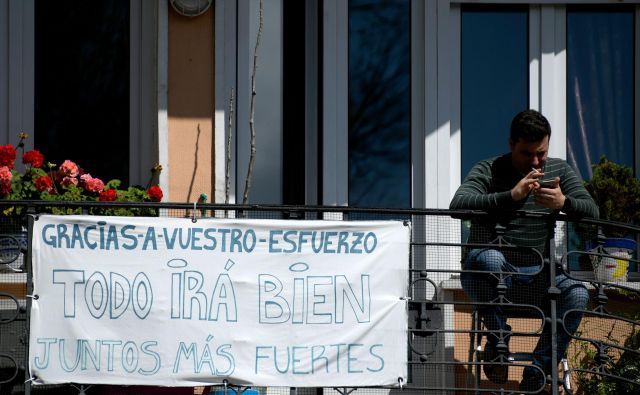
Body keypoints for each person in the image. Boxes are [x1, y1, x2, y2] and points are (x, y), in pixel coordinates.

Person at [449, 109, 599, 392]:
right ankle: (498, 341)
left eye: (541, 153)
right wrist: (511, 196)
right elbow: (457, 205)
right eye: (526, 153)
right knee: (491, 258)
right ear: (510, 145)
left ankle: (538, 372)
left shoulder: (558, 170)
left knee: (577, 291)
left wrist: (563, 202)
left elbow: (593, 211)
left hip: (537, 277)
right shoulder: (490, 168)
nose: (535, 162)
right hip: (488, 276)